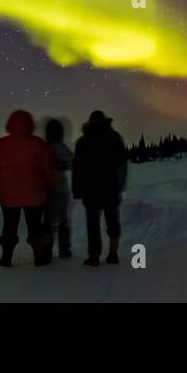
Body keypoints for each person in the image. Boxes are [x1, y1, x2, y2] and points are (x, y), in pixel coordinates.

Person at [0, 109, 55, 267]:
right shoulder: (38, 143)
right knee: (35, 227)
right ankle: (39, 257)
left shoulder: (0, 144)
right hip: (35, 194)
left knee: (9, 226)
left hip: (8, 195)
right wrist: (49, 189)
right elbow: (48, 170)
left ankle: (6, 258)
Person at [71, 110, 128, 266]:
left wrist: (77, 190)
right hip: (111, 188)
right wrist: (120, 186)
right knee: (112, 221)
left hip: (91, 190)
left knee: (93, 225)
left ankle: (94, 256)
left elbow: (78, 169)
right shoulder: (115, 138)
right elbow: (122, 165)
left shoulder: (82, 142)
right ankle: (113, 253)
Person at [44, 118, 74, 259]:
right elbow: (72, 163)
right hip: (61, 188)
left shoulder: (44, 148)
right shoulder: (63, 148)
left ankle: (47, 249)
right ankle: (64, 249)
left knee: (47, 222)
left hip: (46, 189)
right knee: (63, 221)